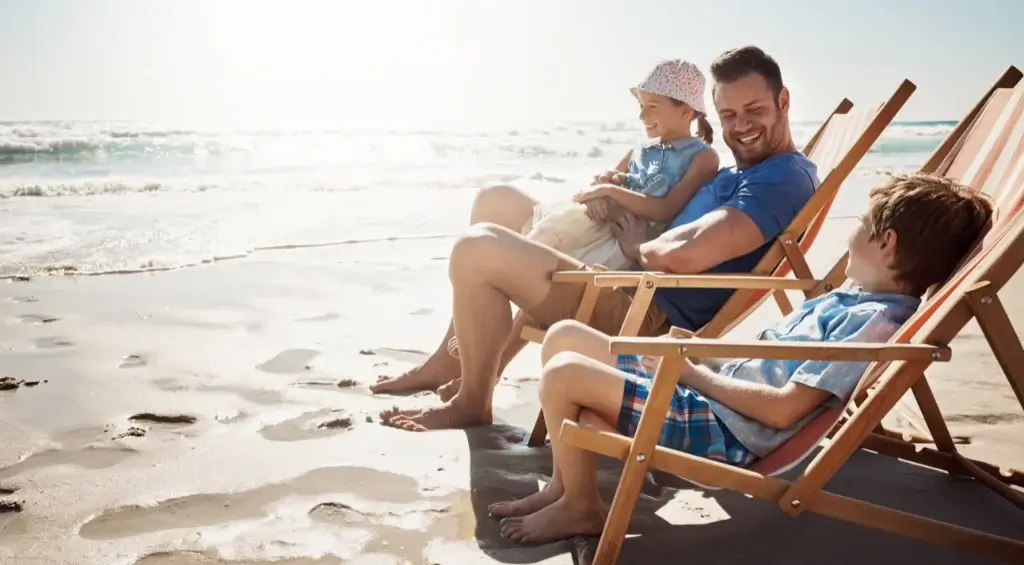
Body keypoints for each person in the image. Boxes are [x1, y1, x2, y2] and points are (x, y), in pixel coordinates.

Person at [493, 172, 995, 544]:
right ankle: (566, 486)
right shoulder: (848, 299)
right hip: (709, 398)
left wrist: (691, 372)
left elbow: (782, 410)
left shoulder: (872, 324)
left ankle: (583, 506)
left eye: (862, 223)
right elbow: (767, 365)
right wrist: (701, 359)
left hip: (723, 433)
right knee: (564, 336)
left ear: (886, 244)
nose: (854, 228)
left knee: (564, 372)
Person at [373, 46, 821, 433]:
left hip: (639, 306)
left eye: (755, 110)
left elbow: (686, 253)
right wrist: (613, 194)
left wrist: (635, 247)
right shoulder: (743, 172)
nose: (741, 126)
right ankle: (451, 360)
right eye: (729, 115)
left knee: (477, 250)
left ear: (783, 100)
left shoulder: (780, 179)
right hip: (624, 279)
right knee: (497, 202)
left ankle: (472, 401)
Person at [521, 59, 720, 272]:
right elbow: (601, 185)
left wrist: (609, 191)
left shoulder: (702, 157)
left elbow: (666, 209)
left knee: (561, 260)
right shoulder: (639, 151)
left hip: (628, 239)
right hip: (600, 223)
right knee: (549, 232)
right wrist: (599, 190)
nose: (642, 116)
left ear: (686, 112)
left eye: (652, 107)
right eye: (641, 106)